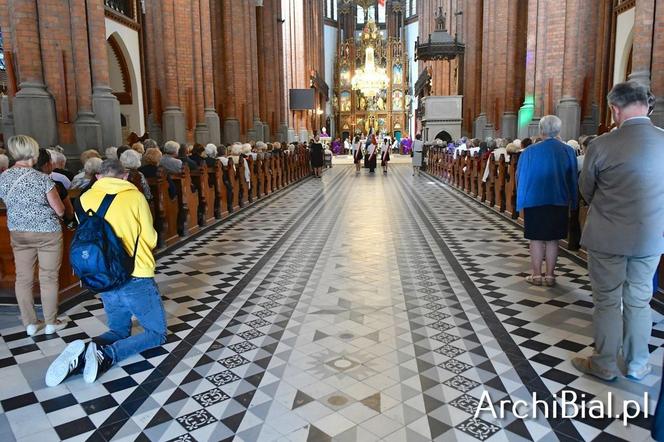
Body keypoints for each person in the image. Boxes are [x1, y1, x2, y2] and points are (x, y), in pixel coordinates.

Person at [572, 81, 664, 382]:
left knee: (608, 300)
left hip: (607, 237)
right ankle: (637, 363)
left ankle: (605, 363)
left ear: (615, 109)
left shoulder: (601, 145)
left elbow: (585, 190)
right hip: (650, 238)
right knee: (639, 300)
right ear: (646, 105)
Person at [45, 159, 167, 386]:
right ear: (125, 176)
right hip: (136, 272)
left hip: (103, 275)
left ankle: (82, 355)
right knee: (157, 333)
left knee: (119, 330)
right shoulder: (135, 197)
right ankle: (106, 355)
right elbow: (150, 237)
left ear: (99, 177)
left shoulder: (83, 198)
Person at [0, 135, 67, 336]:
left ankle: (30, 323)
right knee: (48, 277)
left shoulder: (3, 177)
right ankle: (50, 322)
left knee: (23, 278)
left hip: (18, 232)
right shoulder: (42, 179)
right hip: (47, 233)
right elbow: (61, 210)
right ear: (34, 153)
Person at [516, 115, 578, 287]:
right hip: (559, 199)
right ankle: (550, 275)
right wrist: (573, 201)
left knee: (536, 239)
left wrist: (520, 202)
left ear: (541, 130)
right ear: (558, 130)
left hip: (534, 200)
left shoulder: (529, 151)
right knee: (553, 240)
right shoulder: (568, 150)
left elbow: (520, 177)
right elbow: (573, 178)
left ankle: (536, 275)